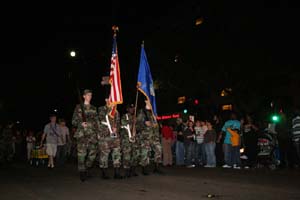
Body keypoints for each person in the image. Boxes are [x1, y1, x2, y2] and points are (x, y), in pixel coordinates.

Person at [72, 89, 99, 182]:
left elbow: (97, 122)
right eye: (88, 95)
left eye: (91, 95)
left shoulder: (94, 108)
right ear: (84, 96)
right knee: (81, 155)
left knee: (93, 154)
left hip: (92, 135)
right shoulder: (78, 107)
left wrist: (98, 133)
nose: (90, 97)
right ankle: (82, 172)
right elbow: (73, 121)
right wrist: (81, 124)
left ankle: (87, 168)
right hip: (82, 135)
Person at [136, 100, 163, 175]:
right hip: (146, 137)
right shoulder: (142, 112)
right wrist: (144, 124)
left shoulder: (154, 112)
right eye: (149, 101)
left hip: (155, 136)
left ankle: (157, 167)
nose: (151, 103)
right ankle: (144, 169)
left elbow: (156, 125)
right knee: (145, 153)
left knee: (159, 150)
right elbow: (137, 125)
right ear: (145, 101)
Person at [98, 98, 122, 179]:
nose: (112, 100)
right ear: (106, 100)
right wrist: (109, 128)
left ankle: (117, 173)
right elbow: (101, 120)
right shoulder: (101, 109)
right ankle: (104, 173)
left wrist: (116, 128)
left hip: (114, 136)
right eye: (110, 99)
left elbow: (119, 123)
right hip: (105, 136)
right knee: (104, 154)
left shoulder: (116, 111)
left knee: (117, 153)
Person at [120, 103, 140, 178]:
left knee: (135, 154)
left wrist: (136, 123)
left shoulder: (135, 117)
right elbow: (123, 124)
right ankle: (126, 171)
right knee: (127, 155)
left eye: (133, 108)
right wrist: (132, 122)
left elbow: (139, 127)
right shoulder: (124, 116)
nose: (132, 109)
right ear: (127, 109)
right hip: (126, 138)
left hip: (134, 138)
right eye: (130, 108)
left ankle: (133, 170)